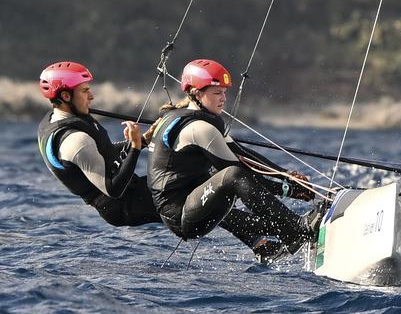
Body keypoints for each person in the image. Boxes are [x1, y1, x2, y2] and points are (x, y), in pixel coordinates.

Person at [147, 59, 321, 260]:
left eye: (224, 92)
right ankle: (295, 229)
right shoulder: (200, 128)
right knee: (232, 176)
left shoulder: (202, 119)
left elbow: (244, 154)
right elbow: (240, 173)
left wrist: (287, 176)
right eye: (216, 93)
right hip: (181, 215)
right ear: (197, 93)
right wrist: (287, 190)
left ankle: (272, 240)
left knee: (223, 176)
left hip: (194, 199)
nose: (223, 98)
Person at [37, 61, 163, 226]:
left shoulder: (60, 116)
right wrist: (135, 147)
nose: (91, 96)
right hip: (124, 206)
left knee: (185, 176)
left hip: (133, 189)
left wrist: (144, 139)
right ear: (66, 96)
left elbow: (105, 152)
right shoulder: (74, 141)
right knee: (187, 185)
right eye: (84, 91)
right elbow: (113, 189)